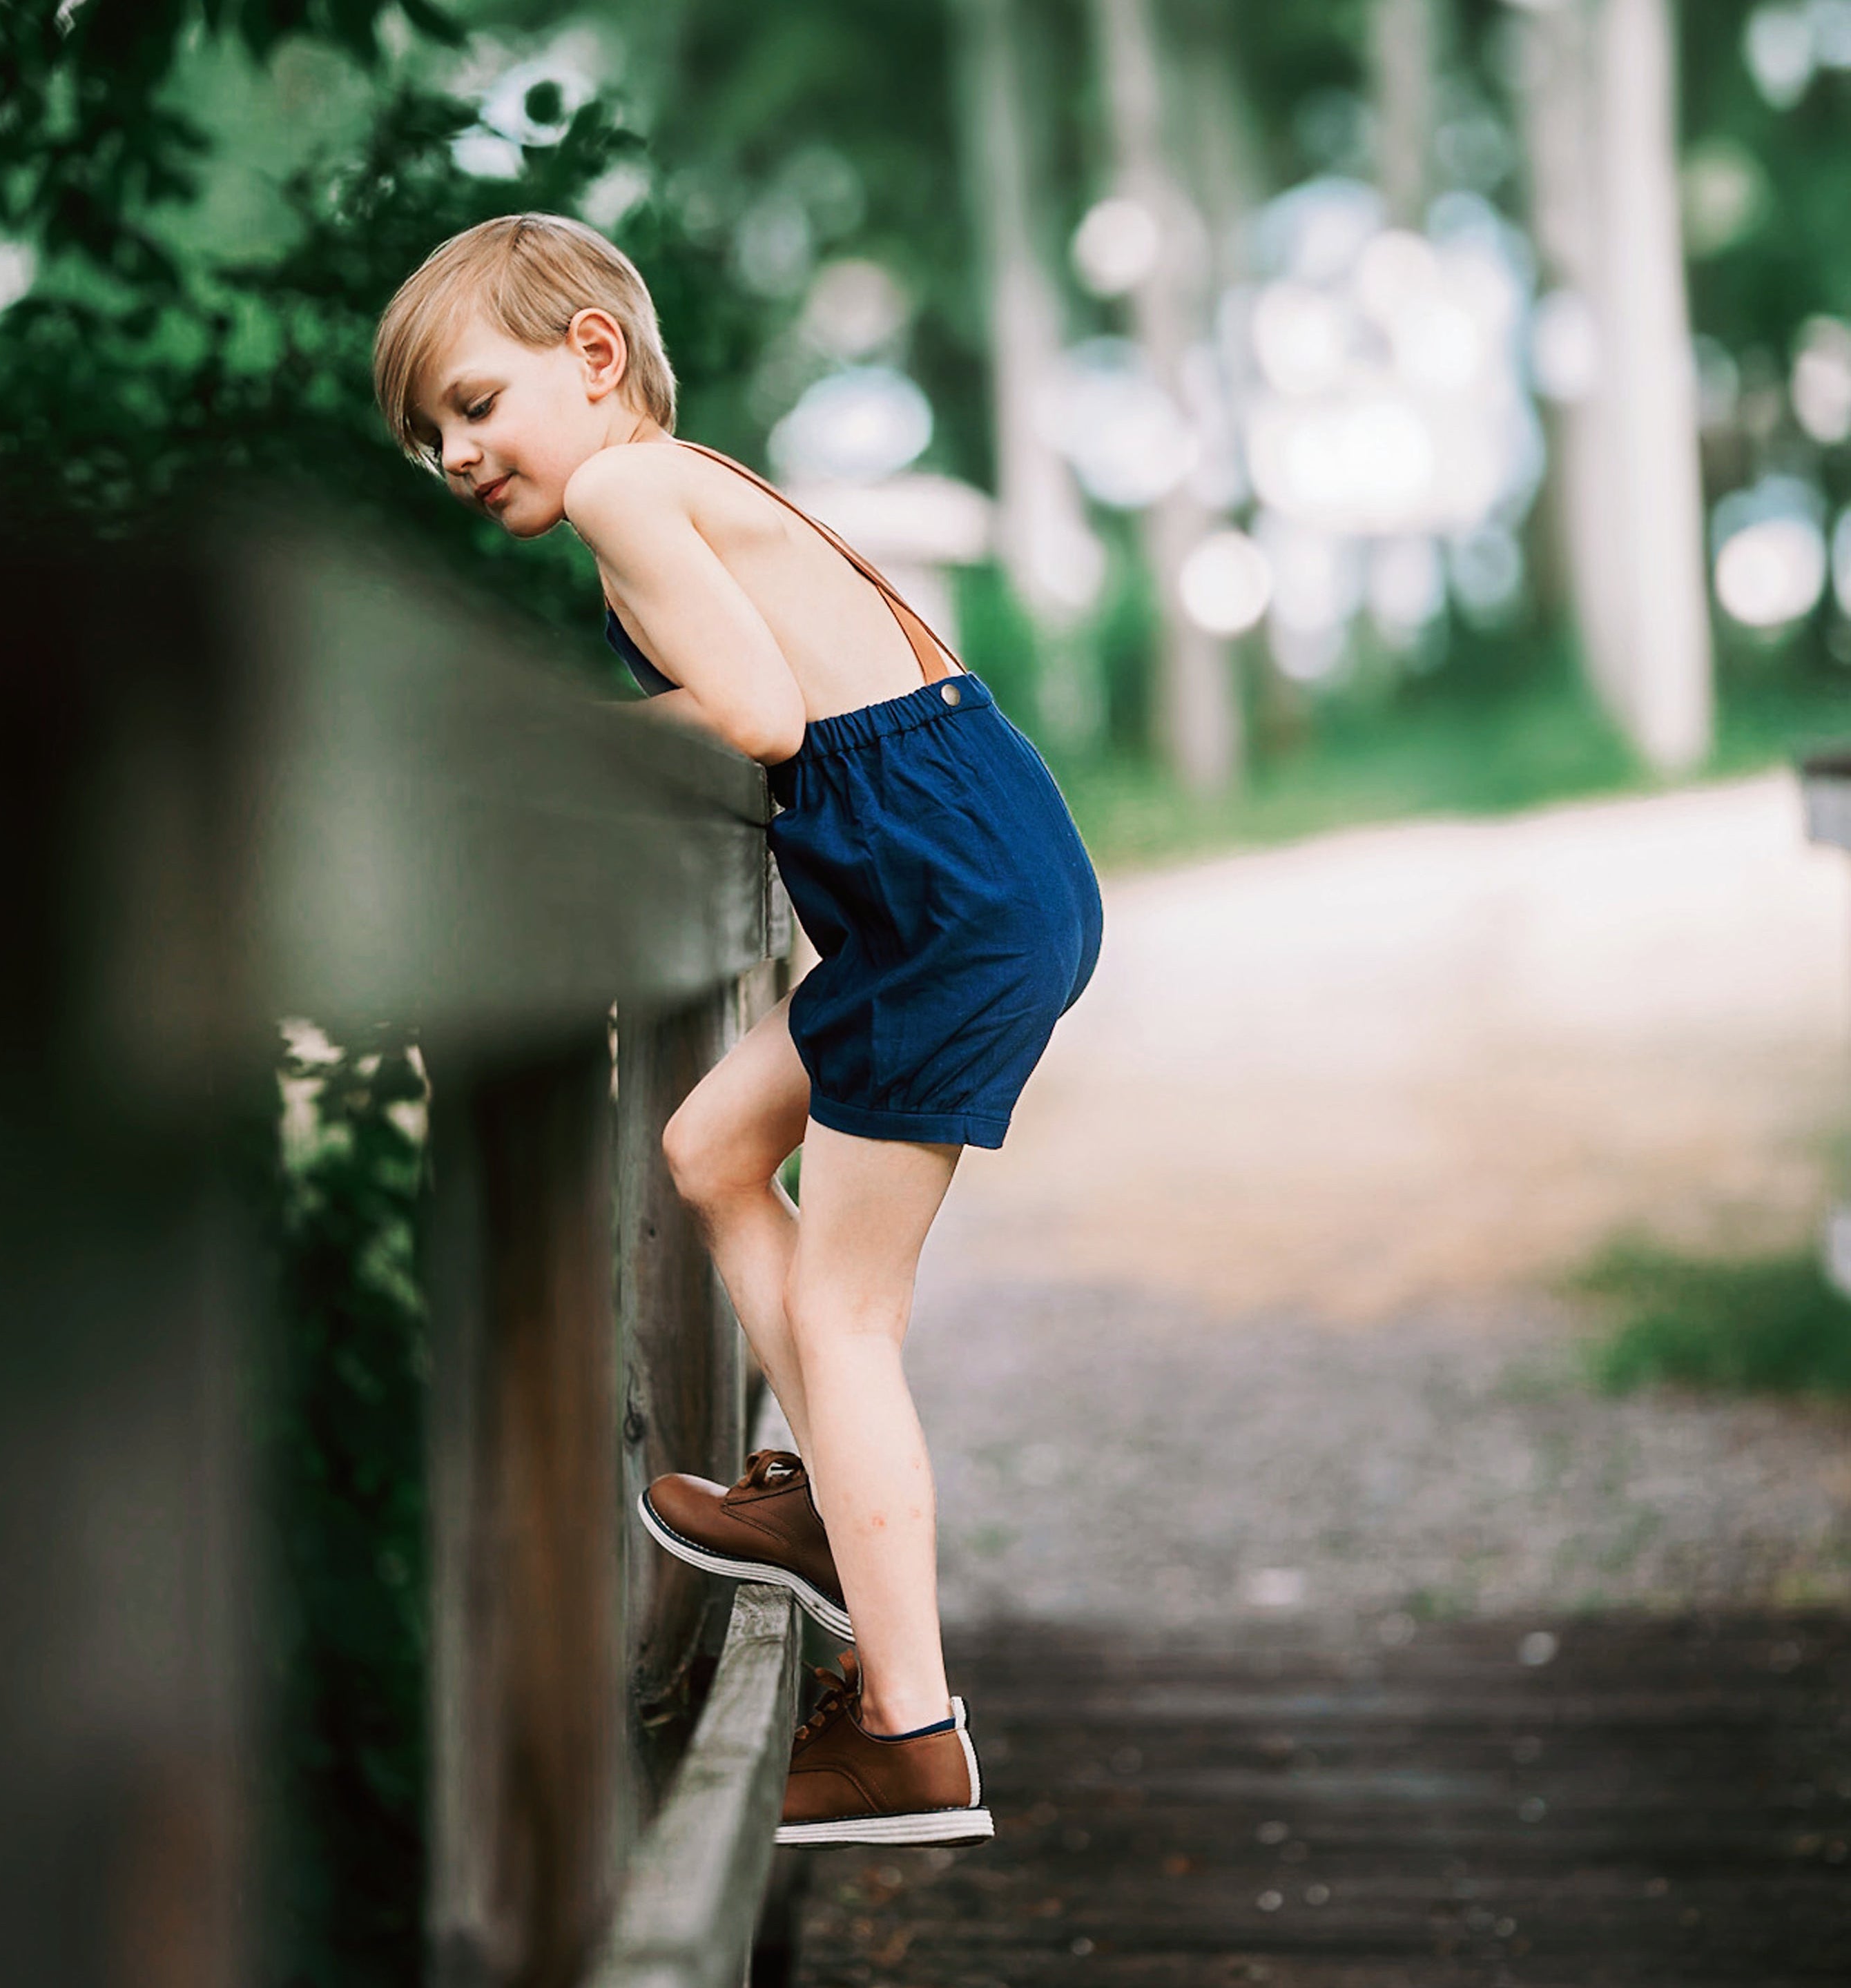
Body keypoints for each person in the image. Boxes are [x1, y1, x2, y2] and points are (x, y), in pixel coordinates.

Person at [374, 212, 1103, 1848]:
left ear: (591, 356)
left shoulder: (631, 486)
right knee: (709, 1151)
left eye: (474, 403)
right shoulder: (684, 480)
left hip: (946, 895)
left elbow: (761, 721)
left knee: (849, 1319)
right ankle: (835, 1519)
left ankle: (913, 1734)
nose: (452, 452)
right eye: (429, 435)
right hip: (967, 867)